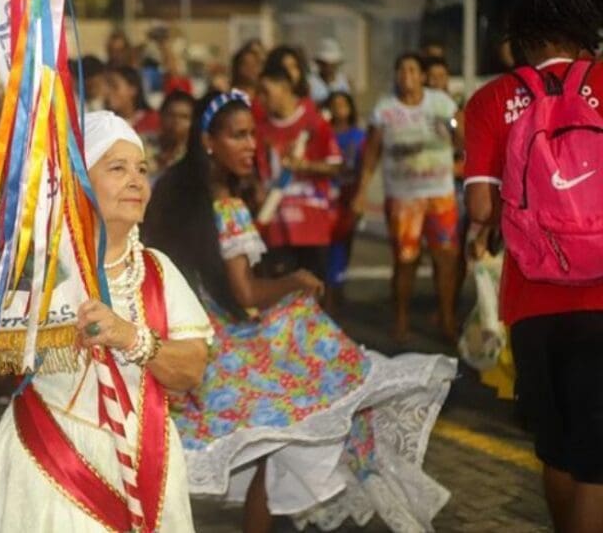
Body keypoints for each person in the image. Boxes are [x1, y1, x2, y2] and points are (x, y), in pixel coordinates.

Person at [144, 91, 455, 533]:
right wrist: (297, 281)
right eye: (238, 136)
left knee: (270, 446)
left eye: (252, 134)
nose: (251, 145)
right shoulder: (225, 207)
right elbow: (247, 291)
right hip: (224, 352)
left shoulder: (174, 194)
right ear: (209, 142)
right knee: (296, 416)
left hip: (189, 338)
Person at [0, 110, 212, 532]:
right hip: (48, 463)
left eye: (142, 170)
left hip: (146, 463)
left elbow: (191, 370)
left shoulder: (157, 271)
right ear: (79, 183)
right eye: (117, 168)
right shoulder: (37, 269)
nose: (136, 181)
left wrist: (130, 337)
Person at [464, 0, 603, 533]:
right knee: (597, 455)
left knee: (557, 447)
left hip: (530, 297)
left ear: (520, 37)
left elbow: (480, 205)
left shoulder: (490, 100)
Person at [353, 53, 463, 343]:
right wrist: (362, 190)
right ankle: (401, 319)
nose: (407, 76)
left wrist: (456, 131)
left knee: (446, 260)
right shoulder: (385, 108)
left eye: (413, 70)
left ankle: (447, 320)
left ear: (423, 76)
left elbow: (463, 137)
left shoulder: (441, 103)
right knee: (405, 261)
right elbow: (372, 152)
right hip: (403, 198)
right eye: (401, 70)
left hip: (440, 195)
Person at [254, 65, 341, 288]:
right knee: (282, 294)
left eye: (266, 91)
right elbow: (258, 173)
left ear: (285, 88)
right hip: (277, 226)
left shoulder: (315, 122)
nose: (261, 98)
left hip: (313, 227)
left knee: (314, 293)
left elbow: (334, 166)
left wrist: (305, 166)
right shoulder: (261, 129)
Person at [326, 91, 366, 310]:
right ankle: (329, 292)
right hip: (326, 198)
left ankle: (338, 286)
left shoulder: (359, 136)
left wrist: (360, 195)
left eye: (343, 104)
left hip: (348, 196)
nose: (339, 108)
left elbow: (363, 168)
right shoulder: (324, 132)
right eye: (335, 104)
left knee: (344, 243)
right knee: (328, 246)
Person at [146, 90, 194, 180]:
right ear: (161, 115)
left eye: (184, 117)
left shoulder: (194, 155)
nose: (176, 121)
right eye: (171, 115)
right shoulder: (142, 144)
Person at [105, 65, 159, 137]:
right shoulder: (105, 123)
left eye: (114, 86)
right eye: (106, 86)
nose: (107, 92)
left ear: (132, 90)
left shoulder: (152, 120)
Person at [309, 38, 351, 105]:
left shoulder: (344, 81)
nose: (328, 68)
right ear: (319, 63)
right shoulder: (310, 82)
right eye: (325, 64)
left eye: (332, 64)